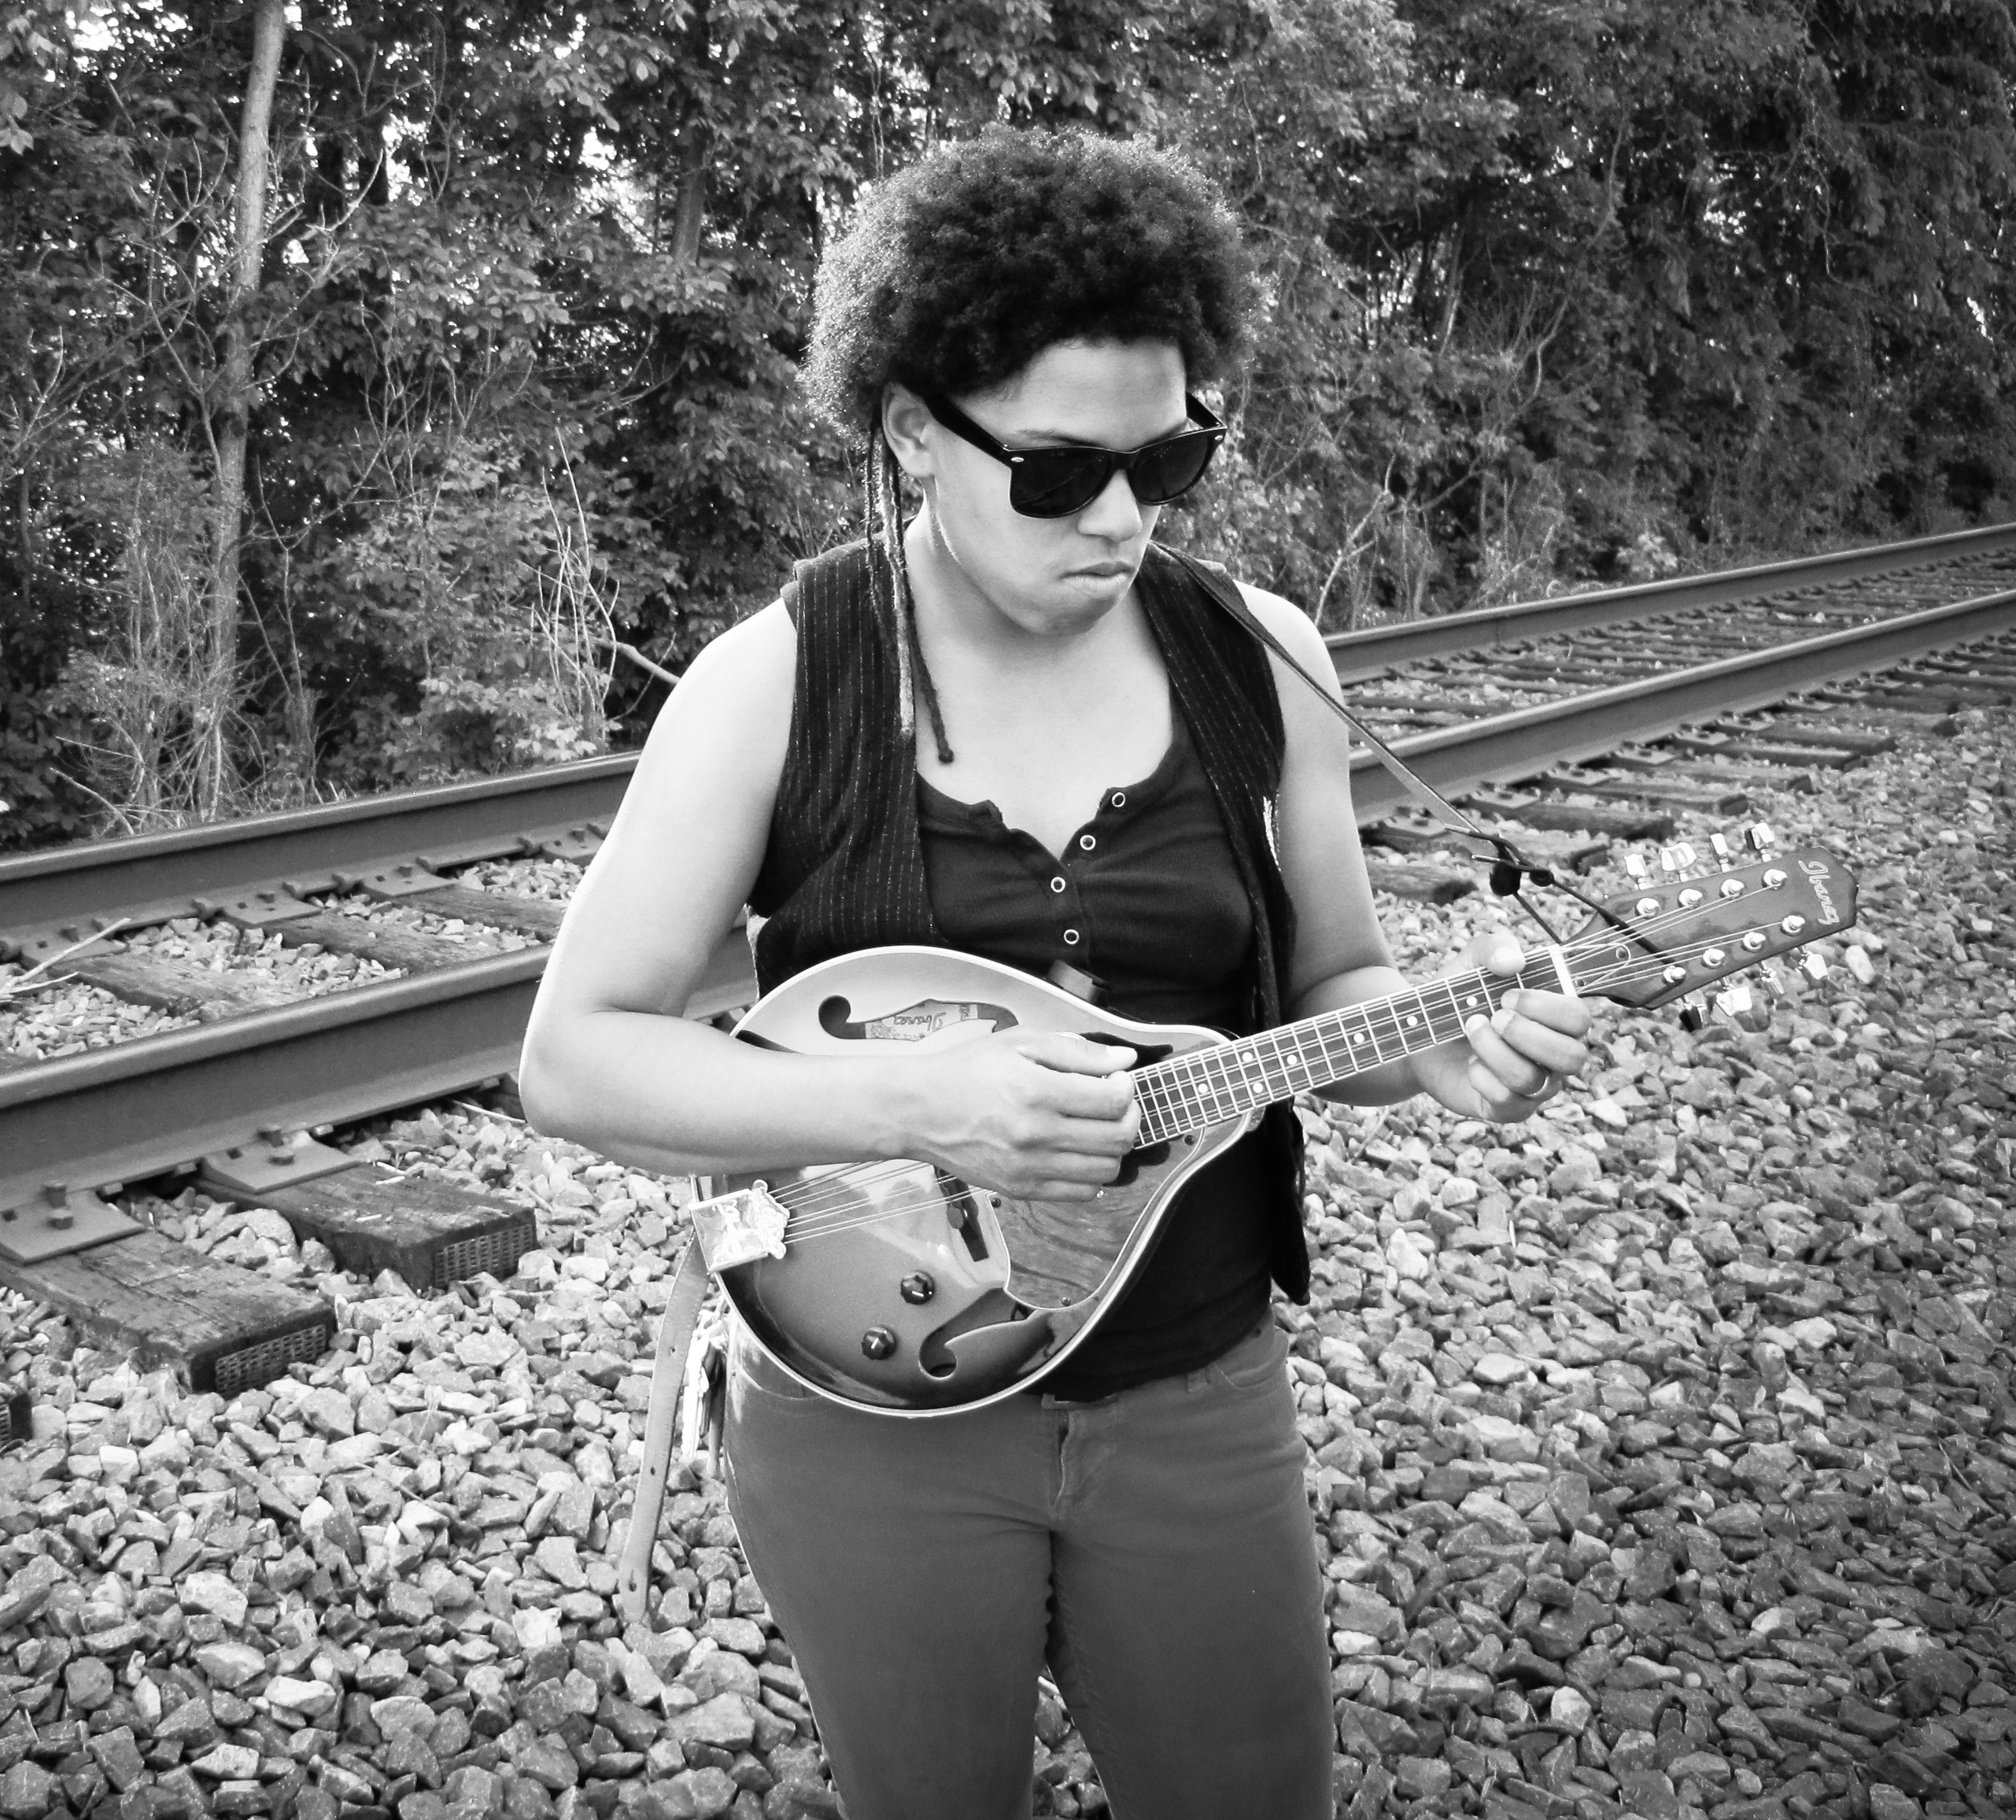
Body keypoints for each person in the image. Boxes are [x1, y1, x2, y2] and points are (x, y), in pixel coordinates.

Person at [515, 129, 1600, 1820]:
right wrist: (921, 1101)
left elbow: (1335, 983)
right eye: (1056, 472)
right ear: (909, 431)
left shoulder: (1260, 659)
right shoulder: (778, 682)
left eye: (1167, 464)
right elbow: (574, 1058)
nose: (1118, 520)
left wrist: (1436, 1053)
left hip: (1195, 1387)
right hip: (875, 1410)